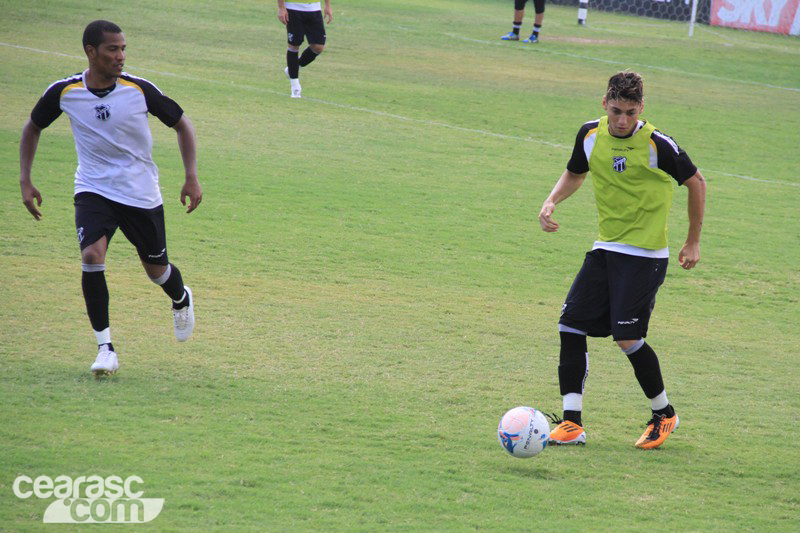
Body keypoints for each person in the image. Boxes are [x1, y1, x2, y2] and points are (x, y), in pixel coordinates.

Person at [18, 20, 203, 376]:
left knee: (157, 271)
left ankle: (181, 298)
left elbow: (183, 125)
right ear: (91, 51)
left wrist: (191, 177)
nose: (120, 56)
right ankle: (105, 348)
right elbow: (32, 127)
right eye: (112, 49)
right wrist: (25, 179)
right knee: (91, 255)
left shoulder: (139, 89)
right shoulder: (65, 92)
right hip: (93, 188)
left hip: (139, 192)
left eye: (123, 49)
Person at [538, 71, 706, 449]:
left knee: (627, 337)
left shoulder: (657, 144)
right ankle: (571, 423)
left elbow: (697, 183)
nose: (623, 120)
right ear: (604, 104)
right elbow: (575, 173)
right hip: (607, 248)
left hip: (646, 255)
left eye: (631, 112)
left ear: (641, 108)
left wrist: (692, 241)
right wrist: (551, 200)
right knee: (570, 325)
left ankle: (664, 414)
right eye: (616, 111)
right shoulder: (589, 135)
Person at [278, 0, 333, 98]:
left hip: (314, 9)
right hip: (293, 8)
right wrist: (282, 8)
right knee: (294, 45)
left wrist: (327, 6)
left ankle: (294, 67)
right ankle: (295, 88)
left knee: (318, 47)